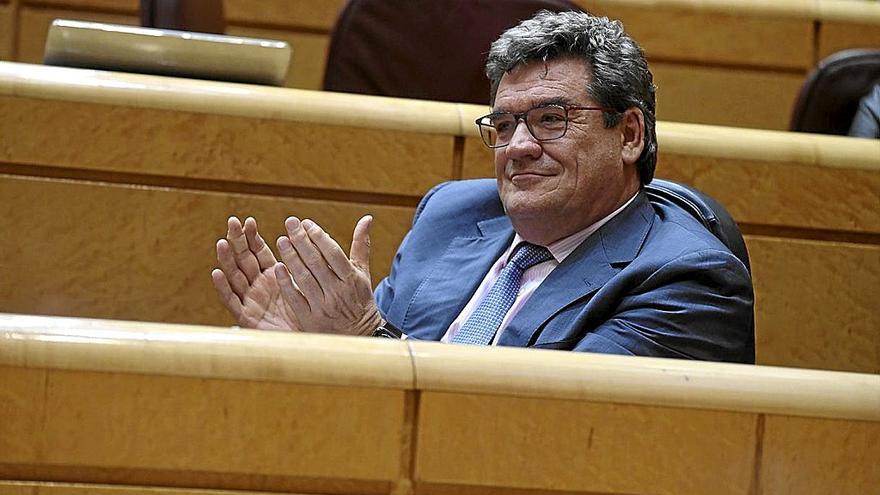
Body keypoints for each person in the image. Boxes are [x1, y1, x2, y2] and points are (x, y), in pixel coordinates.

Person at [211, 10, 754, 363]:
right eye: (503, 124)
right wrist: (307, 353)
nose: (517, 146)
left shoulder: (687, 280)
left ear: (629, 133)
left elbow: (546, 434)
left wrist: (365, 341)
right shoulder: (450, 214)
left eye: (551, 119)